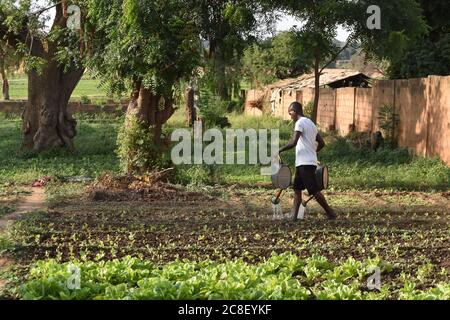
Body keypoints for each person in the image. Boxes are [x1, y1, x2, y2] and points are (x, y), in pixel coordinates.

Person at [279, 102, 336, 221]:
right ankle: (293, 218)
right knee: (297, 189)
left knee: (313, 190)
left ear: (294, 112)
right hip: (303, 163)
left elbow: (294, 142)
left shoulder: (299, 123)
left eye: (290, 114)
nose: (290, 117)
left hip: (305, 163)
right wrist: (313, 153)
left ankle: (331, 213)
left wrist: (280, 149)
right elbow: (322, 143)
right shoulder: (310, 123)